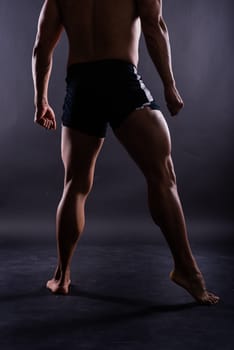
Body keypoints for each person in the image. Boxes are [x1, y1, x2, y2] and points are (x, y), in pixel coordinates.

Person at [32, 0, 219, 305]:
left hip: (81, 85)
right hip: (120, 79)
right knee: (162, 175)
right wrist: (169, 86)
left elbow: (41, 46)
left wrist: (40, 100)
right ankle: (187, 270)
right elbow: (154, 28)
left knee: (74, 184)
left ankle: (62, 276)